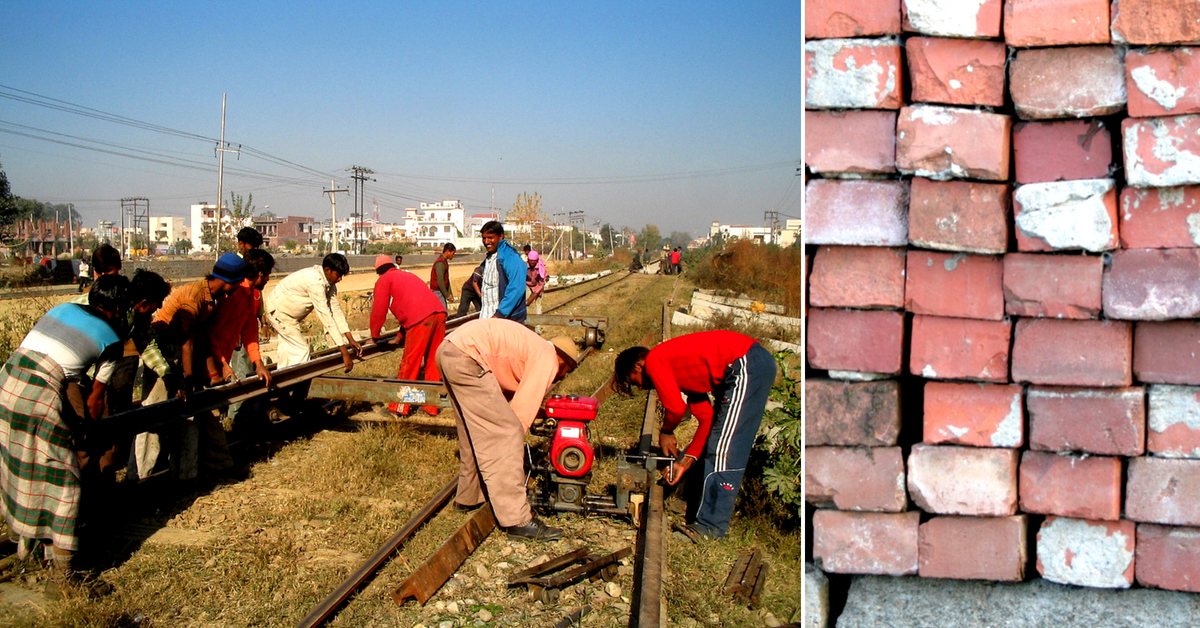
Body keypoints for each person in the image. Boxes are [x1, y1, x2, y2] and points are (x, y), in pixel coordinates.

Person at [0, 274, 129, 588]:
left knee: (21, 467)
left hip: (7, 382)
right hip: (40, 397)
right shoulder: (112, 338)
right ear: (117, 308)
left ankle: (25, 550)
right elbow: (96, 398)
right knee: (63, 480)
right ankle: (63, 575)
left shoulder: (61, 308)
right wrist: (89, 430)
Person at [613, 331, 776, 541]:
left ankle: (709, 528)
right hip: (749, 363)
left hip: (745, 363)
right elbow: (706, 419)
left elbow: (676, 408)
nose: (642, 387)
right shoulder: (680, 370)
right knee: (717, 439)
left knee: (725, 449)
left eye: (635, 382)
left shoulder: (654, 360)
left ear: (638, 366)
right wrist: (686, 461)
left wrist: (666, 431)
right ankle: (695, 505)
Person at [435, 318, 579, 540]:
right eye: (567, 372)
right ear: (564, 362)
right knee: (507, 434)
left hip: (450, 349)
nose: (562, 377)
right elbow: (518, 418)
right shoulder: (548, 359)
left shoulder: (534, 346)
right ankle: (517, 519)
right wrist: (512, 450)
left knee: (472, 431)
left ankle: (469, 497)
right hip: (467, 356)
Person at [132, 253, 249, 481]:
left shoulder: (213, 298)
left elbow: (203, 338)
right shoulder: (193, 298)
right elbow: (187, 343)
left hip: (185, 353)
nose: (240, 286)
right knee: (153, 414)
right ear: (230, 280)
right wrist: (188, 378)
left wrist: (220, 367)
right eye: (239, 281)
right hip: (164, 352)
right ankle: (140, 477)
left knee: (197, 413)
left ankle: (190, 473)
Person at [371, 255, 447, 416]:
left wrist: (375, 335)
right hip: (439, 314)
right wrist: (400, 335)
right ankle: (431, 407)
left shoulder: (384, 280)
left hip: (421, 320)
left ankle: (398, 408)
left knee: (410, 363)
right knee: (433, 361)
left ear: (378, 271)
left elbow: (379, 310)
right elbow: (411, 306)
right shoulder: (407, 275)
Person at [264, 253, 363, 371]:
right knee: (301, 350)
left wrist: (350, 339)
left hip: (289, 317)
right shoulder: (315, 283)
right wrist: (344, 352)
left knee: (288, 354)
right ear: (327, 270)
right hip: (279, 313)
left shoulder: (329, 283)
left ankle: (282, 385)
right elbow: (326, 317)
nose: (340, 279)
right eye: (338, 274)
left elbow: (336, 311)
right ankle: (297, 385)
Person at [478, 221, 527, 323]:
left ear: (501, 236)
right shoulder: (491, 257)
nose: (486, 242)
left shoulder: (510, 257)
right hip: (487, 316)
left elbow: (517, 288)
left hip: (505, 319)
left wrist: (499, 314)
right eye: (484, 238)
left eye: (490, 237)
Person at [429, 243, 456, 310]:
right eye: (453, 253)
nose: (453, 255)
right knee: (443, 311)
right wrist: (447, 295)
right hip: (437, 291)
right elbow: (440, 281)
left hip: (440, 291)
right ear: (448, 252)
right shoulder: (440, 263)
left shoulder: (444, 262)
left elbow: (446, 279)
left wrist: (449, 293)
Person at [525, 250, 547, 315]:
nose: (532, 262)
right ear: (528, 260)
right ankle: (523, 321)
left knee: (538, 305)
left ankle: (538, 323)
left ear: (537, 260)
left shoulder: (541, 268)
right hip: (527, 285)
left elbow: (541, 283)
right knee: (524, 304)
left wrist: (533, 296)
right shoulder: (524, 266)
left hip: (538, 286)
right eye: (530, 260)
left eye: (534, 260)